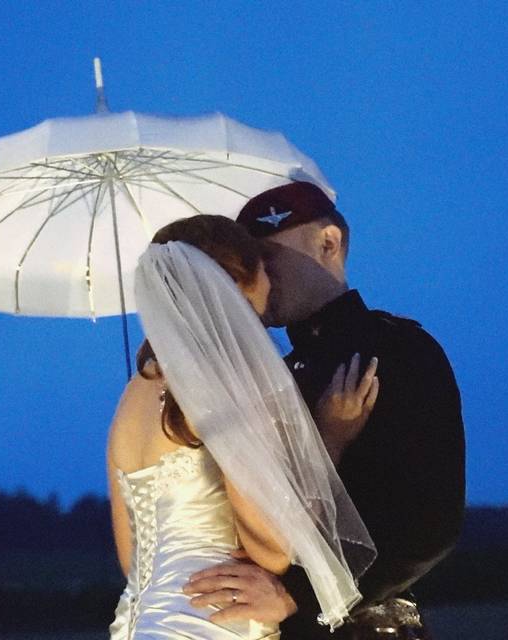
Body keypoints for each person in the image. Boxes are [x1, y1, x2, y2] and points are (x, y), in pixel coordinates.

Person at [184, 182, 465, 639]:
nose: (257, 280)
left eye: (268, 260)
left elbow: (429, 525)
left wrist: (297, 596)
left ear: (328, 243)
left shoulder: (399, 351)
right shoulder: (272, 374)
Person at [107, 215, 379, 639]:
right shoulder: (230, 382)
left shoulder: (135, 393)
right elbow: (271, 549)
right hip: (214, 622)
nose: (271, 282)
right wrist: (330, 440)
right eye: (264, 265)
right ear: (236, 282)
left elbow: (131, 559)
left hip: (140, 623)